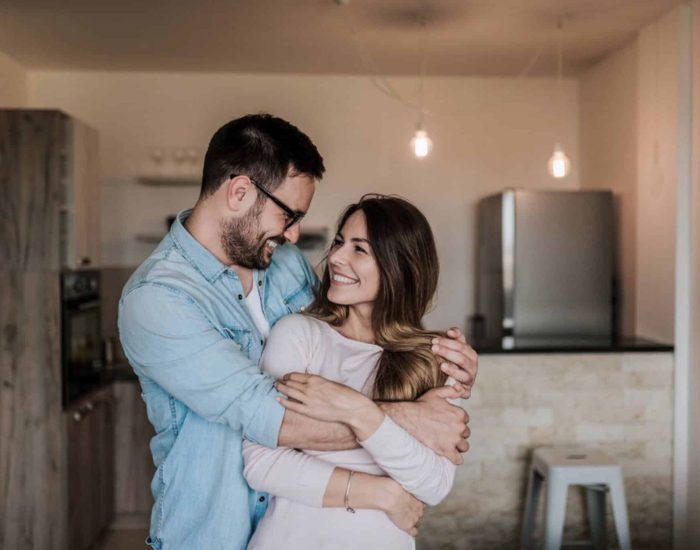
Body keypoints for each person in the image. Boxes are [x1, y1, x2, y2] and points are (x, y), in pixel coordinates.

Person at [118, 114, 478, 550]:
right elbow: (270, 418)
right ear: (240, 191)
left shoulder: (282, 262)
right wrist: (410, 417)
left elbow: (346, 345)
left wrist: (444, 370)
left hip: (300, 524)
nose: (293, 234)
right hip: (213, 534)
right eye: (289, 215)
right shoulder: (158, 299)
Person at [243, 195, 461, 550]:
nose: (336, 258)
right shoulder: (300, 334)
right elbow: (262, 464)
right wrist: (383, 493)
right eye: (340, 243)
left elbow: (434, 485)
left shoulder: (431, 359)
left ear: (399, 267)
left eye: (360, 250)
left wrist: (356, 409)